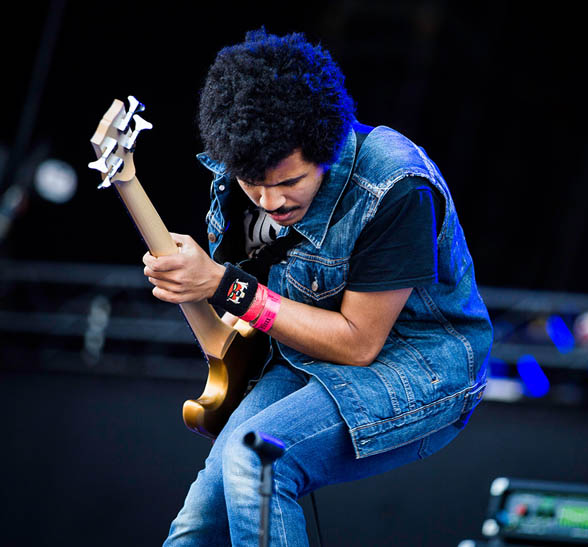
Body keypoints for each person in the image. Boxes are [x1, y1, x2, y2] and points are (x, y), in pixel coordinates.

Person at [142, 29, 492, 546]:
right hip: (305, 355)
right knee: (198, 525)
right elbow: (237, 323)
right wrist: (195, 287)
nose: (268, 201)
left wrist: (221, 284)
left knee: (255, 454)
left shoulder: (396, 186)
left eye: (289, 183)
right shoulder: (240, 169)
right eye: (252, 183)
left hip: (415, 364)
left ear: (325, 148)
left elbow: (358, 343)